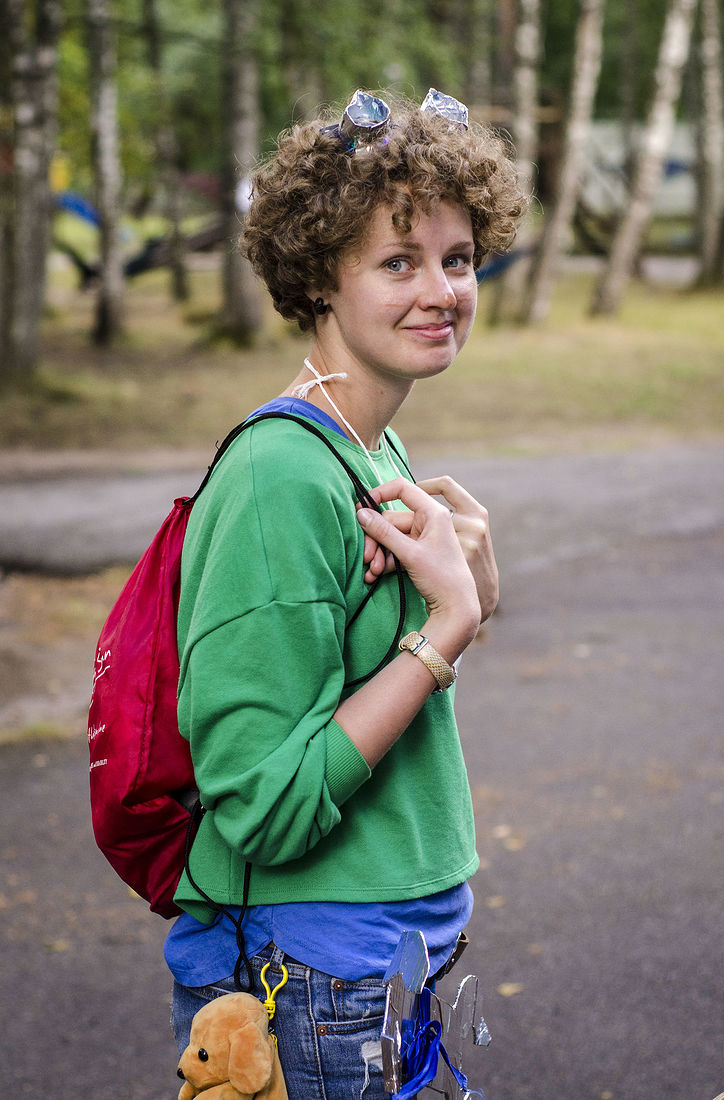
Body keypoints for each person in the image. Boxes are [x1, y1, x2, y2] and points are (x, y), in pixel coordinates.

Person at [166, 89, 525, 1098]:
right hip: (312, 973)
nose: (442, 291)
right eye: (398, 262)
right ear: (321, 274)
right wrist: (444, 632)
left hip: (384, 958)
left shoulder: (372, 445)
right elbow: (263, 804)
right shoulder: (279, 475)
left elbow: (370, 681)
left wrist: (473, 589)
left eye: (458, 259)